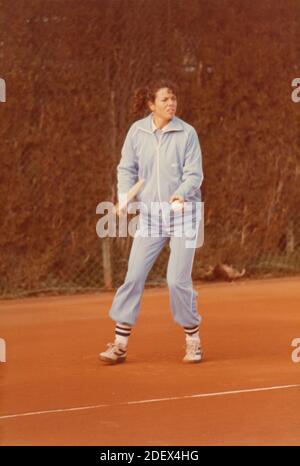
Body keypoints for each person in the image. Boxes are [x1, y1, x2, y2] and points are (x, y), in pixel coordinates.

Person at [99, 79, 204, 364]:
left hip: (184, 215)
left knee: (177, 280)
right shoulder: (137, 132)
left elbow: (194, 174)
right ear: (151, 105)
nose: (171, 104)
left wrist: (182, 194)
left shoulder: (187, 133)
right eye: (165, 100)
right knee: (133, 276)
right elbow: (126, 168)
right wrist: (125, 196)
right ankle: (120, 344)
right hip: (150, 218)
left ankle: (192, 339)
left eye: (174, 98)